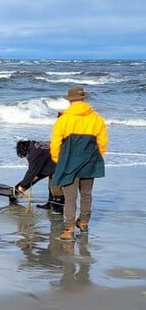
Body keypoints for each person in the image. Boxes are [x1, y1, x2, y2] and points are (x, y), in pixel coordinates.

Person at [50, 86, 107, 241]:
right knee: (86, 194)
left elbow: (55, 143)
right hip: (90, 160)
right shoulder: (96, 118)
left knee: (70, 197)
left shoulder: (64, 119)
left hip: (69, 161)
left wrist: (57, 159)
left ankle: (69, 229)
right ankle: (84, 222)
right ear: (84, 99)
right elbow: (103, 142)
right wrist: (95, 156)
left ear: (70, 101)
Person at [12, 140, 64, 213]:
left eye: (25, 155)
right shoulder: (35, 145)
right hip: (55, 162)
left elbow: (31, 172)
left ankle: (58, 210)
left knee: (55, 188)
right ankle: (50, 204)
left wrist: (22, 186)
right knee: (50, 186)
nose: (26, 157)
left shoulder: (34, 153)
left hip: (61, 164)